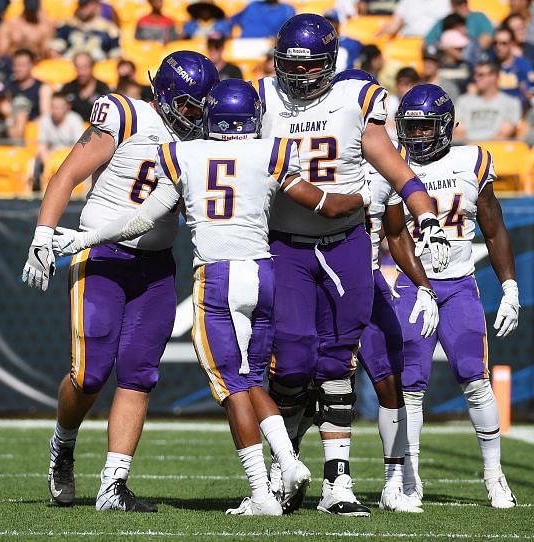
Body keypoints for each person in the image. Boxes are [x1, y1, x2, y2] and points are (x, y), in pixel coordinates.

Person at [51, 79, 377, 516]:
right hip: (263, 275)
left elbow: (140, 220)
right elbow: (329, 206)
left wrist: (82, 238)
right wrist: (369, 193)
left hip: (217, 279)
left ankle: (263, 491)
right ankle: (288, 459)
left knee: (231, 386)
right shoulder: (272, 152)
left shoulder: (184, 154)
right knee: (251, 377)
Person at [256, 14, 448, 516]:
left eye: (311, 66)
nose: (298, 77)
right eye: (290, 66)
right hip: (285, 245)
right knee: (293, 360)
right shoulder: (262, 97)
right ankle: (285, 462)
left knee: (338, 361)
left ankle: (337, 480)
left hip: (345, 244)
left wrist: (424, 208)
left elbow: (390, 160)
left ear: (331, 62)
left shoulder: (355, 99)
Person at [21, 51, 218, 512]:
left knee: (139, 375)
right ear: (167, 95)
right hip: (101, 257)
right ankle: (63, 444)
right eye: (189, 104)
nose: (195, 114)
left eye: (202, 105)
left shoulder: (201, 140)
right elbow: (67, 174)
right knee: (89, 373)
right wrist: (41, 237)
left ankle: (113, 485)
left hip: (155, 266)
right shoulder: (127, 114)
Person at [394, 83, 519, 509]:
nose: (417, 137)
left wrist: (509, 287)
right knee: (411, 386)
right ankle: (410, 478)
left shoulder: (472, 161)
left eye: (426, 128)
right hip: (411, 286)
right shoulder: (395, 165)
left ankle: (494, 476)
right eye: (410, 128)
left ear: (445, 127)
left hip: (460, 283)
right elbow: (391, 232)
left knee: (476, 379)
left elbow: (494, 225)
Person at [332, 69, 439, 514]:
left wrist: (424, 287)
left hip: (369, 279)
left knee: (388, 379)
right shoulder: (312, 158)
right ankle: (294, 472)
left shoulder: (381, 167)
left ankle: (393, 480)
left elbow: (396, 235)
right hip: (320, 279)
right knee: (301, 379)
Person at [454, 61, 522, 142]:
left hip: (497, 149)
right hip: (468, 149)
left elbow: (505, 132)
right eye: (475, 74)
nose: (476, 78)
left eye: (481, 75)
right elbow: (458, 131)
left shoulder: (511, 103)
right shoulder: (463, 101)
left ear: (494, 77)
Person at [51, 0, 121, 61]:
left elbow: (116, 55)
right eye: (81, 5)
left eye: (86, 4)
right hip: (70, 66)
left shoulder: (107, 28)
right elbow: (54, 51)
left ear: (95, 4)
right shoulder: (68, 25)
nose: (82, 9)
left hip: (98, 67)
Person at [37, 91, 85, 165]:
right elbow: (41, 145)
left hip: (69, 159)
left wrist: (61, 156)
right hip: (51, 159)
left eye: (59, 107)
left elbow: (78, 146)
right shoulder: (45, 120)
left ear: (67, 107)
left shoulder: (75, 120)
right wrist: (47, 161)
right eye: (53, 107)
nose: (56, 111)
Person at [425, 0, 494, 50]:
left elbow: (486, 39)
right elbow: (427, 44)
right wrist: (446, 48)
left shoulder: (478, 17)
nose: (463, 6)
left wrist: (465, 54)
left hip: (475, 61)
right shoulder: (446, 21)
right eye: (458, 3)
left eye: (464, 2)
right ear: (452, 5)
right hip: (448, 64)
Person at [61, 52, 111, 122]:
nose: (81, 73)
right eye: (78, 67)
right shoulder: (67, 89)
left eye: (85, 67)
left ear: (92, 67)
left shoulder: (103, 90)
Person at [9, 47, 51, 121]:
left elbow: (45, 116)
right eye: (15, 65)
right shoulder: (9, 86)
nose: (18, 69)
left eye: (22, 65)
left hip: (34, 128)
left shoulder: (43, 88)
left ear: (32, 65)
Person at [378, 0, 451, 38]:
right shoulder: (407, 1)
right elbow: (393, 27)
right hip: (408, 42)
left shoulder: (447, 2)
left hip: (435, 44)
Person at [229, 0, 295, 39]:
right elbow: (230, 21)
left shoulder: (287, 10)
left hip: (268, 49)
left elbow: (289, 33)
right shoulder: (253, 6)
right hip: (243, 45)